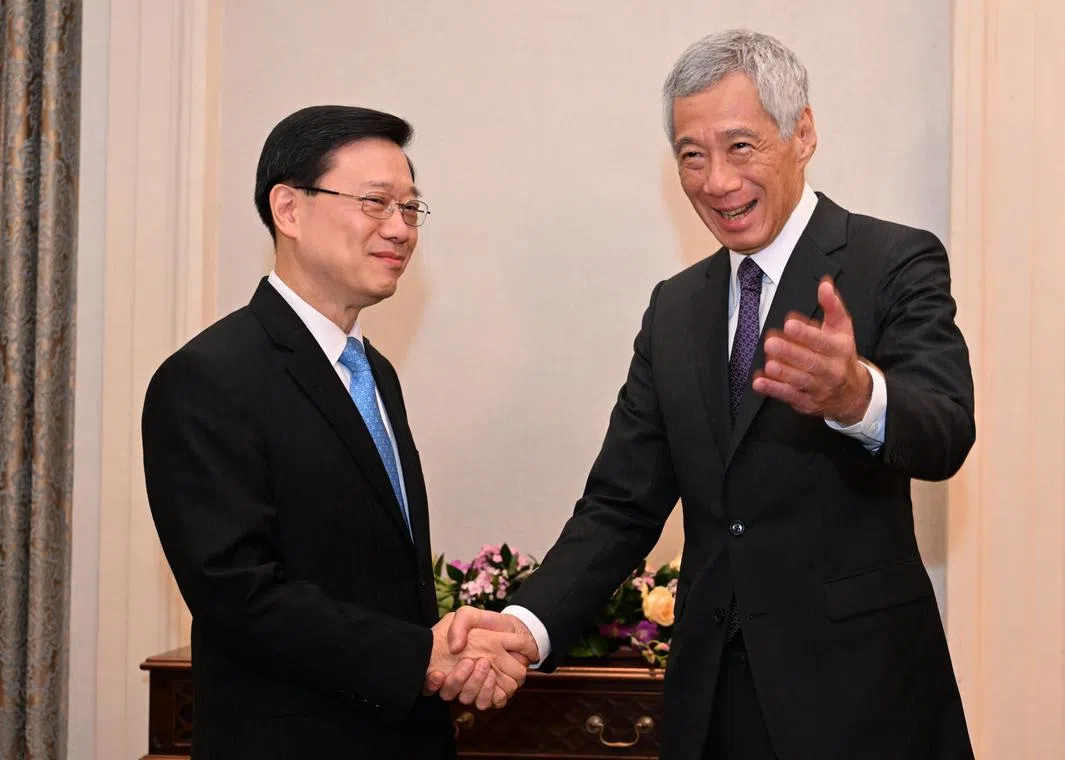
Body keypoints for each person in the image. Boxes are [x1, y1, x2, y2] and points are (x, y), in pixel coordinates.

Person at [445, 30, 976, 760]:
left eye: (741, 147)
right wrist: (526, 624)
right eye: (692, 155)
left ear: (804, 134)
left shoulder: (893, 260)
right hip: (713, 701)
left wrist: (858, 398)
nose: (716, 181)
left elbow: (946, 430)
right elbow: (620, 505)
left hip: (861, 695)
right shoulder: (675, 309)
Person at [142, 105, 535, 760]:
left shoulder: (373, 371)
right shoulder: (208, 377)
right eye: (376, 203)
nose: (400, 229)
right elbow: (239, 594)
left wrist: (448, 653)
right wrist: (422, 655)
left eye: (411, 209)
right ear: (289, 210)